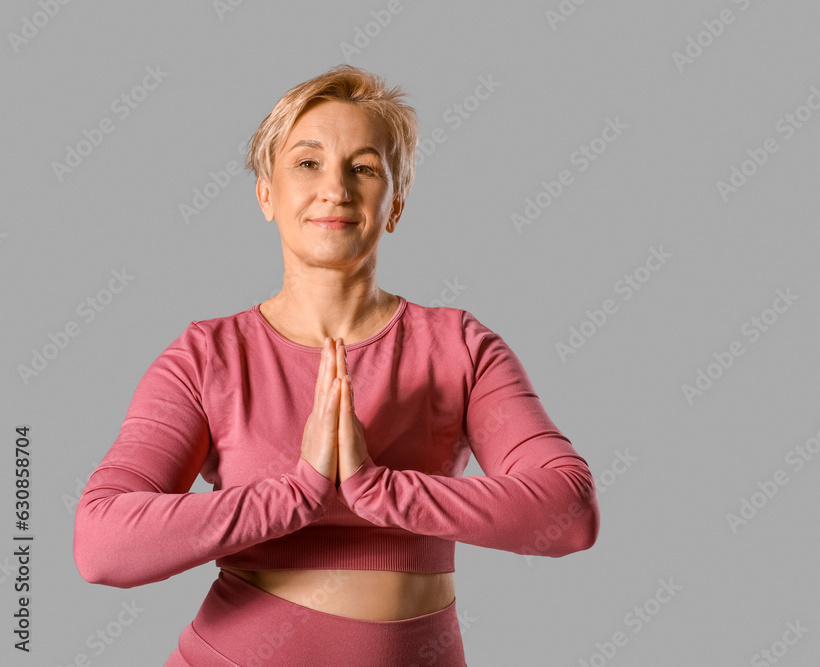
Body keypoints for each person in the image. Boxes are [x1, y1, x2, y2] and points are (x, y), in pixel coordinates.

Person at [73, 64, 600, 666]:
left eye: (365, 168)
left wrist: (381, 491)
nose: (336, 188)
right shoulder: (207, 357)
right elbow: (102, 545)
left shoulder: (460, 346)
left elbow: (568, 513)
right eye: (307, 162)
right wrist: (295, 495)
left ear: (394, 203)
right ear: (266, 194)